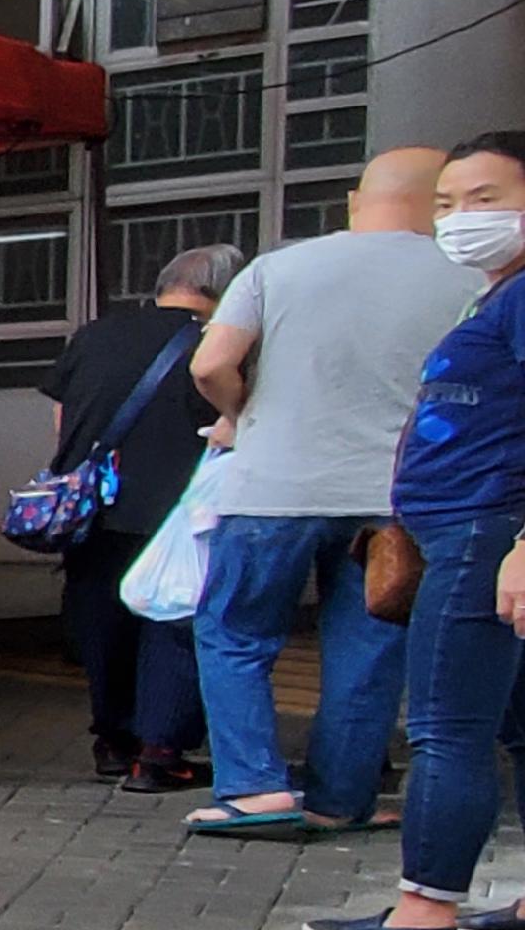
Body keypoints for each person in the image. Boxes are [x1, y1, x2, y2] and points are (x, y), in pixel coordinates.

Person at [186, 146, 485, 838]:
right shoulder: (473, 278)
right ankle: (339, 801)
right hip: (397, 500)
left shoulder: (279, 266)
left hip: (273, 489)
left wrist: (242, 416)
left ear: (356, 200)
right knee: (369, 651)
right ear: (437, 202)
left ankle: (255, 790)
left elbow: (212, 363)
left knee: (235, 635)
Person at [310, 133, 525, 930]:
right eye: (447, 203)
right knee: (514, 727)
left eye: (485, 199)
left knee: (447, 726)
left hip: (485, 536)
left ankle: (424, 911)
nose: (460, 219)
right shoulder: (496, 297)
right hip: (469, 532)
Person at [37, 243, 239, 791]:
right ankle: (159, 751)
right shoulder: (215, 344)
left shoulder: (95, 335)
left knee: (102, 622)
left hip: (91, 507)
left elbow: (63, 416)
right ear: (222, 293)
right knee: (171, 623)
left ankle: (112, 742)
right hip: (175, 511)